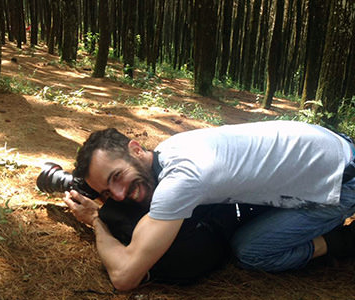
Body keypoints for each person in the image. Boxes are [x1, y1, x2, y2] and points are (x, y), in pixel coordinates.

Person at [64, 120, 355, 291]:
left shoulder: (182, 179)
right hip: (332, 149)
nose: (117, 194)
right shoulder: (169, 149)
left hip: (339, 182)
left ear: (136, 149)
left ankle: (344, 241)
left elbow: (124, 276)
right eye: (106, 191)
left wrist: (96, 221)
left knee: (251, 252)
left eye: (117, 177)